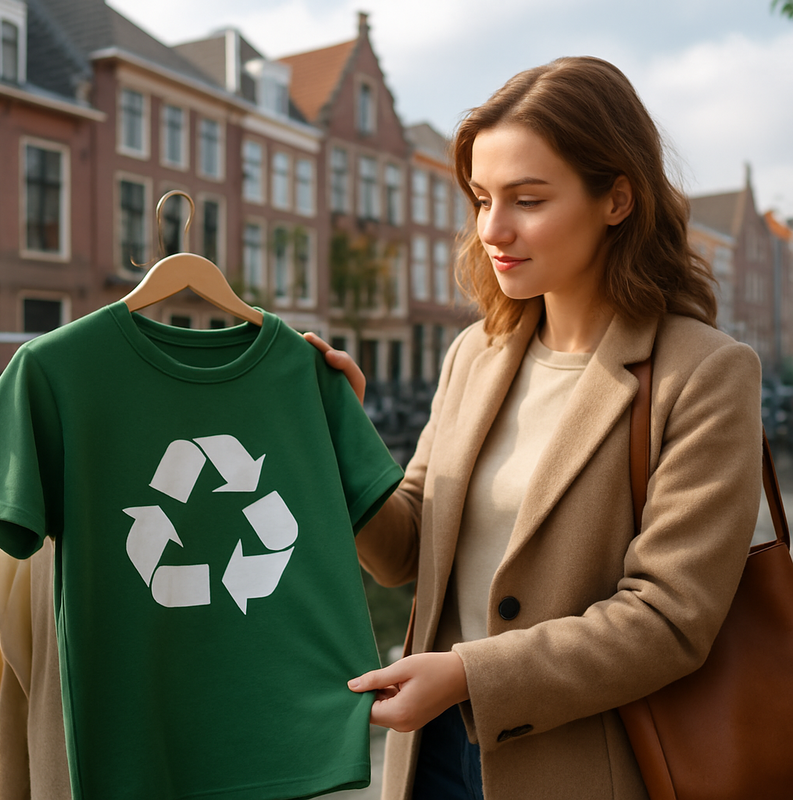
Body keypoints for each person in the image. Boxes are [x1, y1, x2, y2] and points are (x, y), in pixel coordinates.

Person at [304, 56, 762, 800]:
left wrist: (467, 674)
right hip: (432, 761)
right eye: (481, 198)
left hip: (581, 771)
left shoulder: (705, 373)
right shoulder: (473, 354)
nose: (493, 229)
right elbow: (405, 550)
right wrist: (334, 433)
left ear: (617, 199)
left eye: (527, 199)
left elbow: (669, 619)